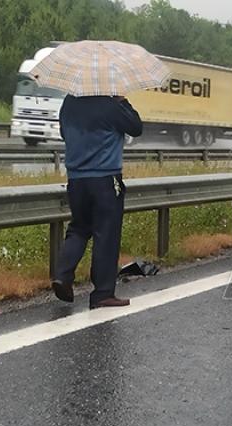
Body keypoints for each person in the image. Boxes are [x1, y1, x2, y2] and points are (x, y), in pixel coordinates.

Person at [51, 95, 143, 309]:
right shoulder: (111, 105)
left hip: (76, 179)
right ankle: (102, 293)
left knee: (79, 228)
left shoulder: (69, 102)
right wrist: (123, 102)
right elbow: (136, 127)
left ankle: (62, 276)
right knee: (106, 234)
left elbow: (65, 133)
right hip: (105, 178)